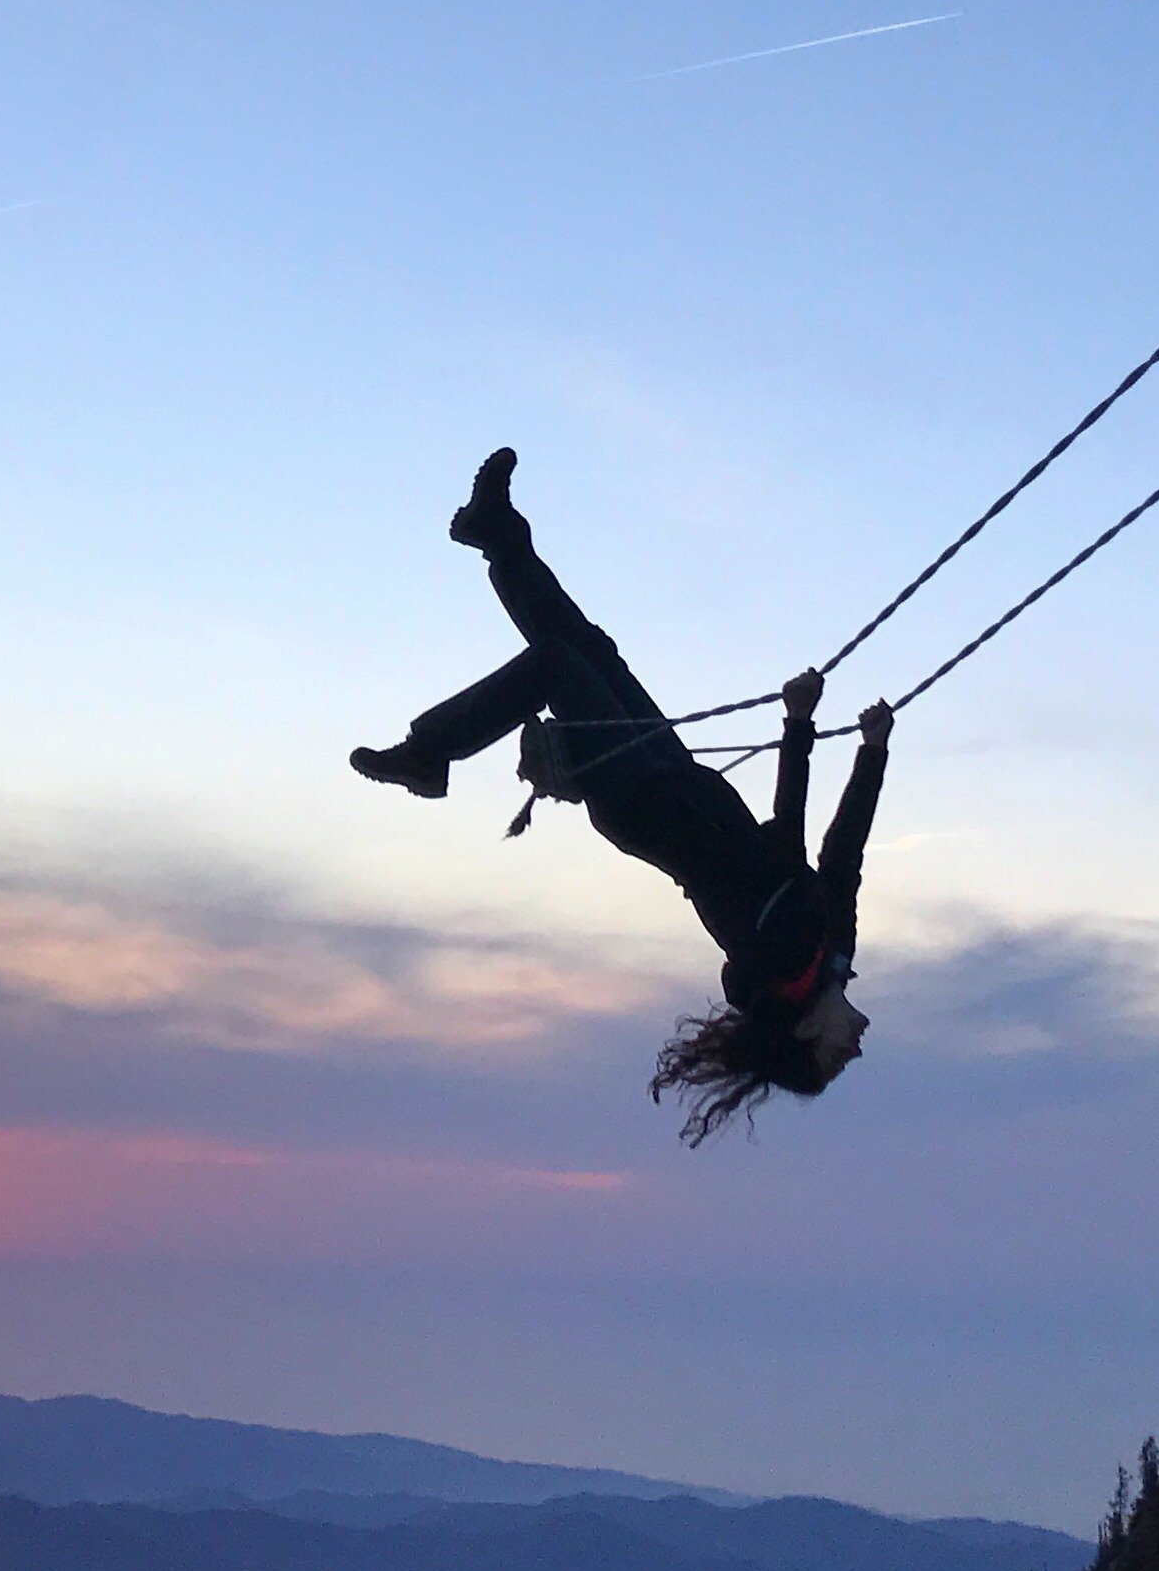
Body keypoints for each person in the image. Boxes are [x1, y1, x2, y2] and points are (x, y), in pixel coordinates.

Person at [351, 449, 891, 1143]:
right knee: (590, 650)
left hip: (641, 802)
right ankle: (498, 536)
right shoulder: (832, 949)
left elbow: (788, 838)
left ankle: (429, 755)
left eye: (837, 1058)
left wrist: (800, 725)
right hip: (676, 772)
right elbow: (842, 853)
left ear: (805, 1034)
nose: (856, 1050)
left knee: (558, 665)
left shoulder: (775, 964)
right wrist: (865, 747)